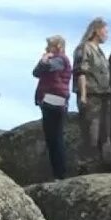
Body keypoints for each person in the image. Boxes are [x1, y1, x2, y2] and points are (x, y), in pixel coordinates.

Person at [72, 17, 111, 174]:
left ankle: (103, 164)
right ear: (97, 30)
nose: (107, 35)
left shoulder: (100, 52)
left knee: (104, 132)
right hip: (90, 95)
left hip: (104, 95)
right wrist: (83, 95)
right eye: (105, 31)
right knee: (91, 133)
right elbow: (81, 72)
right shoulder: (84, 48)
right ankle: (86, 166)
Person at [33, 35, 72, 180]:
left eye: (49, 46)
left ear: (58, 47)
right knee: (51, 138)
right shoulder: (55, 59)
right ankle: (58, 173)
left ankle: (60, 173)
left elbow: (46, 67)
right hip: (49, 100)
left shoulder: (61, 59)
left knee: (55, 138)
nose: (46, 49)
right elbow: (36, 73)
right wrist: (43, 61)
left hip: (55, 100)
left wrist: (44, 60)